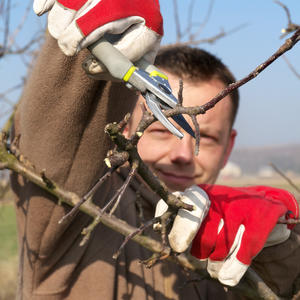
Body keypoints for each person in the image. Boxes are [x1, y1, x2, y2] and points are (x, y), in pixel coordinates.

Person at [10, 0, 300, 299]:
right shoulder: (78, 209)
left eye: (207, 138)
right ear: (123, 128)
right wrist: (94, 44)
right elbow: (60, 140)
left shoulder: (232, 241)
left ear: (230, 146)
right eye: (161, 130)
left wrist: (278, 250)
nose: (183, 154)